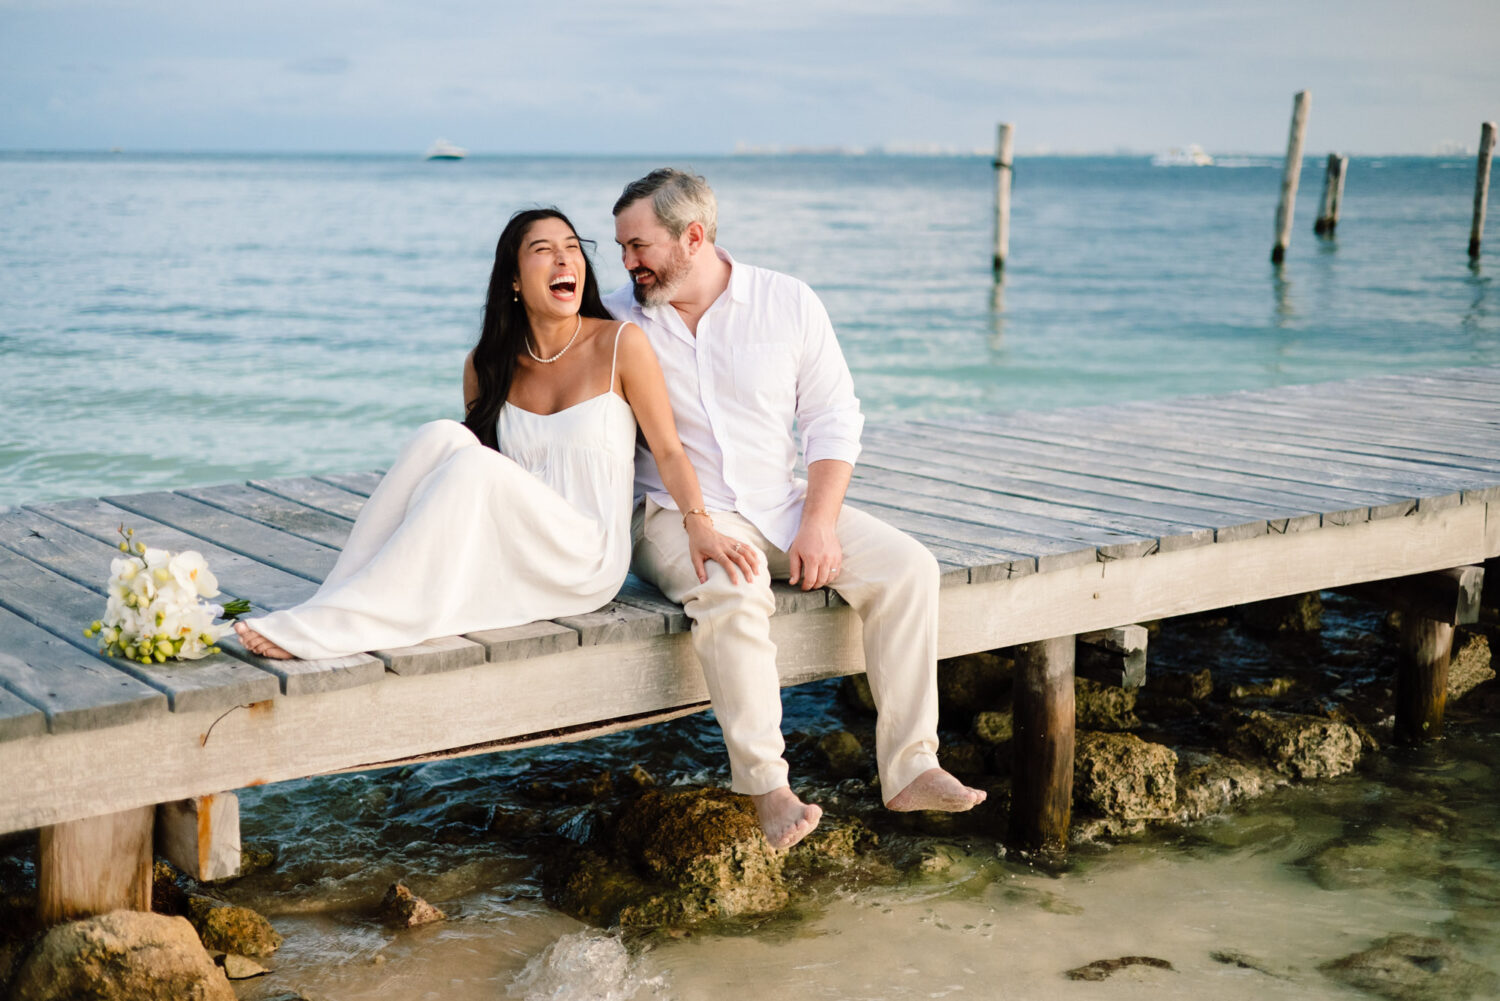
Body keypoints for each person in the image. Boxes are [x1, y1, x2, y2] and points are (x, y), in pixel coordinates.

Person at [605, 169, 986, 850]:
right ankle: (765, 787)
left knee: (909, 567)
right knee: (734, 587)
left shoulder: (787, 302)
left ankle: (910, 768)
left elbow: (833, 419)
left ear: (693, 237)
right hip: (675, 515)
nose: (628, 261)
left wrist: (817, 520)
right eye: (622, 247)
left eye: (639, 245)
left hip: (781, 504)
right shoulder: (617, 318)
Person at [235, 208, 758, 662]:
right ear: (513, 278)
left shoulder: (620, 343)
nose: (564, 261)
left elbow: (667, 449)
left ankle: (348, 621)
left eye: (573, 249)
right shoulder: (486, 366)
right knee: (442, 437)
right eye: (544, 251)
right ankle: (334, 600)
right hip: (519, 546)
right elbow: (476, 494)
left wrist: (700, 525)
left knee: (473, 462)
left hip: (585, 558)